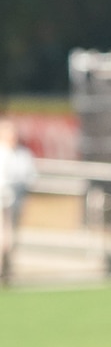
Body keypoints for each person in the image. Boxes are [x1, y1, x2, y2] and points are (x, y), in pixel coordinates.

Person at [0, 119, 36, 279]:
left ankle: (7, 267)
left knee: (10, 237)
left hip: (13, 201)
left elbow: (30, 176)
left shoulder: (22, 154)